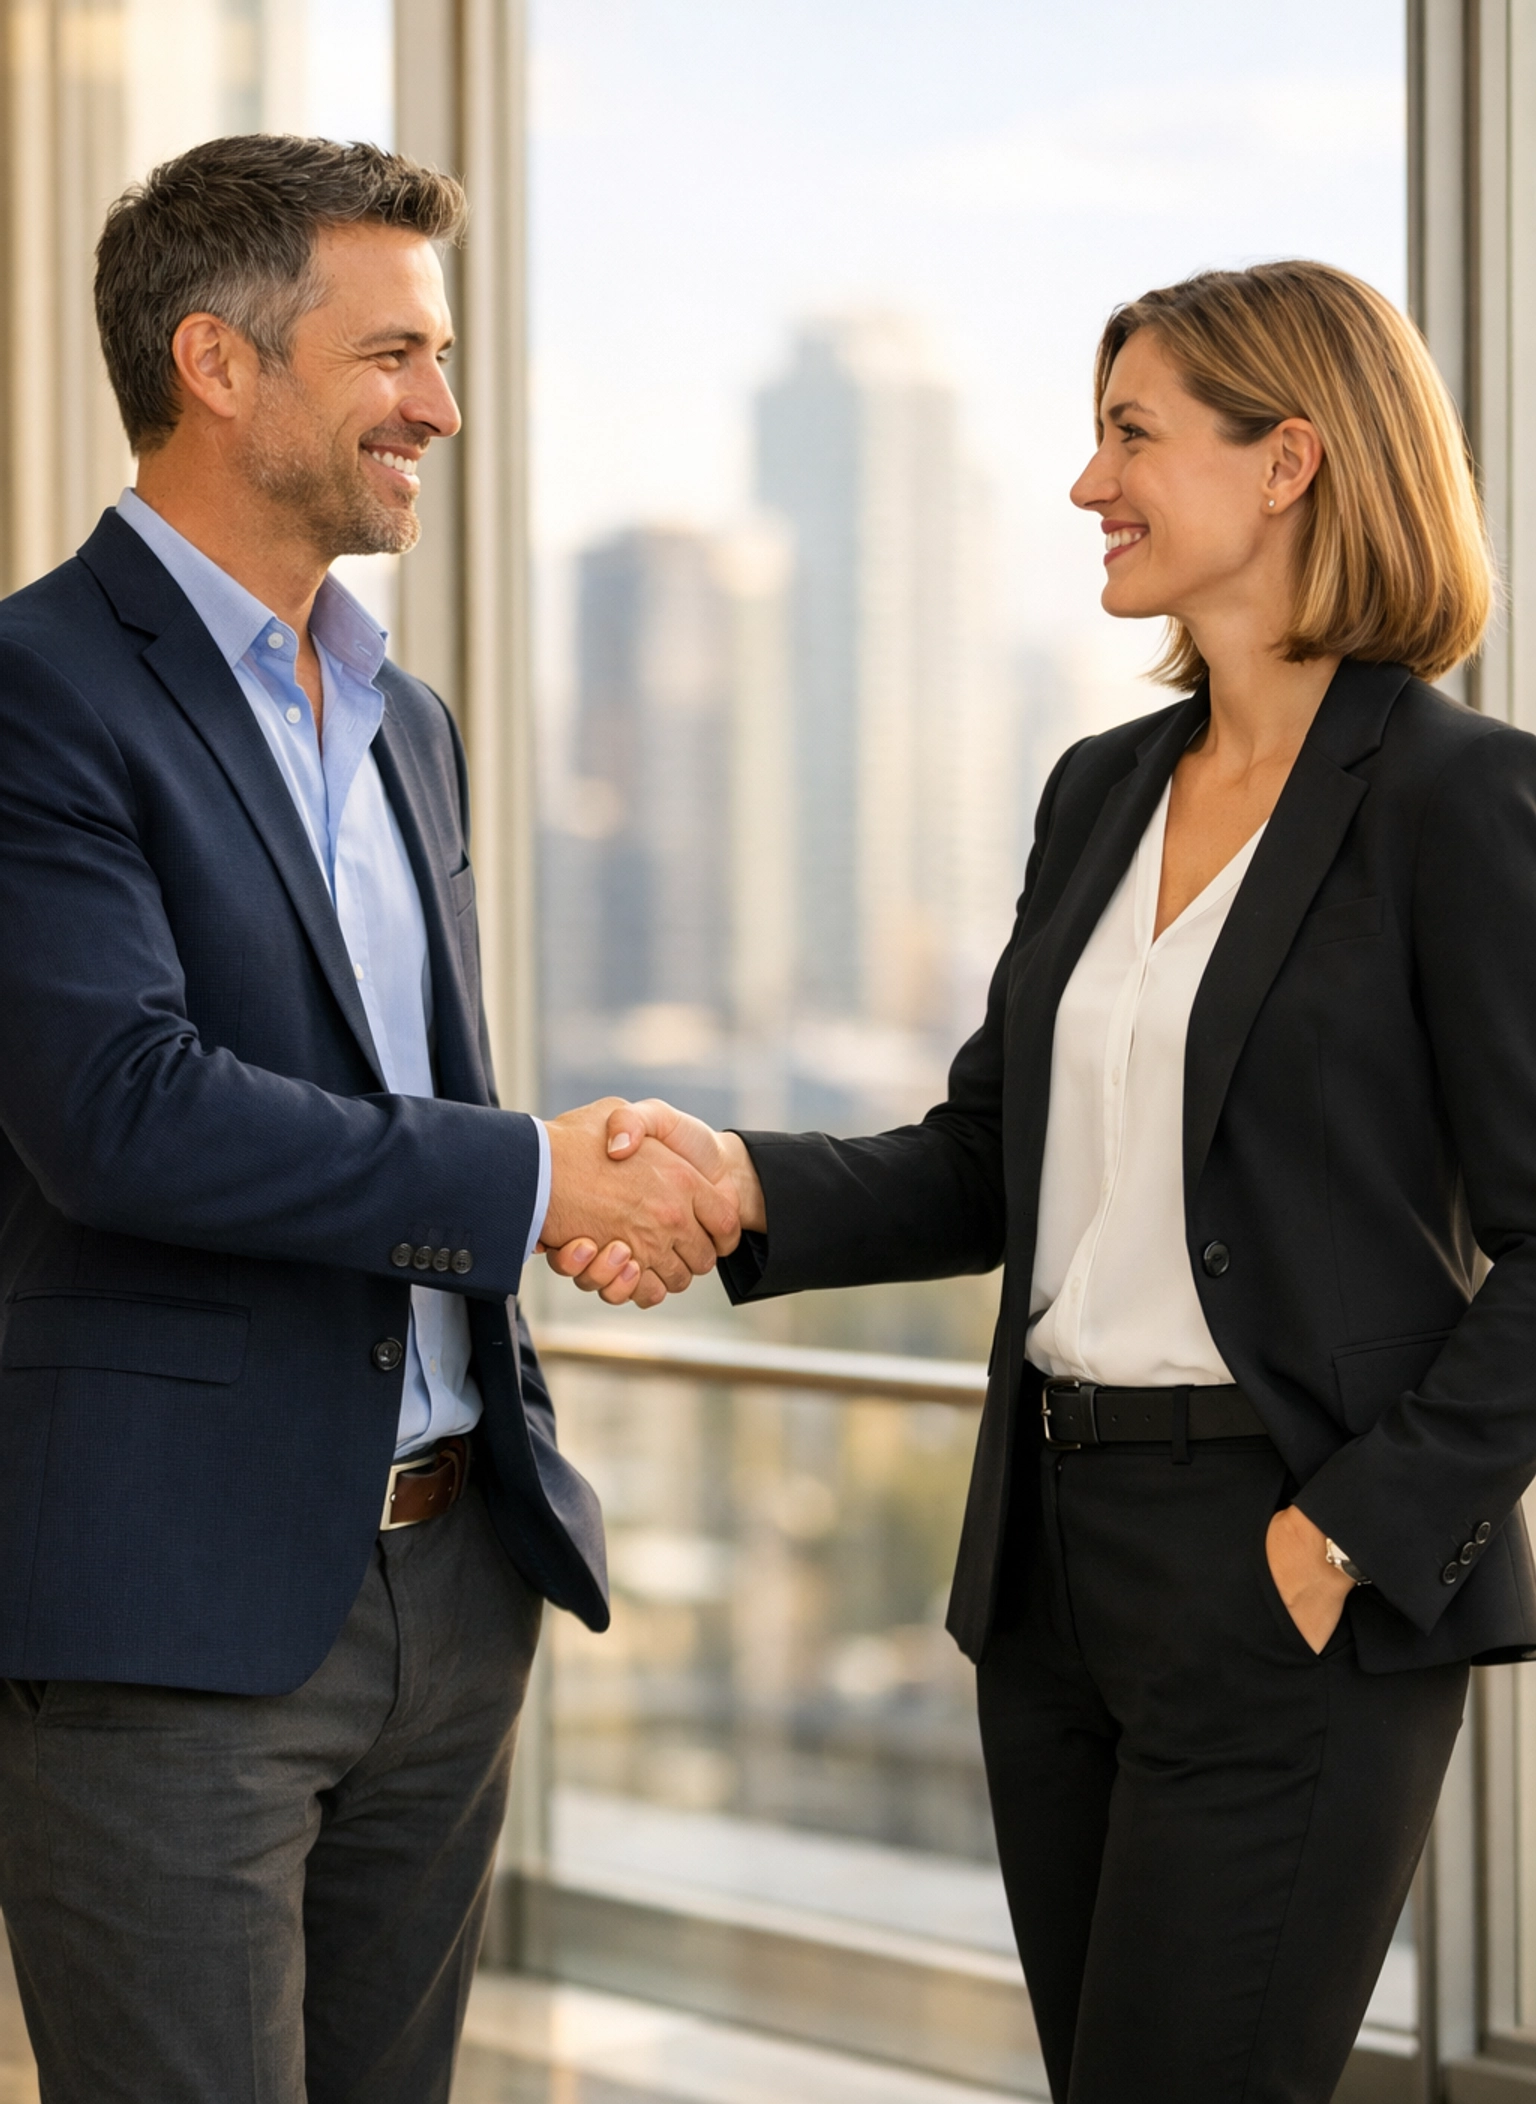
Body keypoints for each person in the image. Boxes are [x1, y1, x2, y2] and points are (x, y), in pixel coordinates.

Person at [547, 261, 1536, 2102]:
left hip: (1289, 1564)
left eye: (1133, 435)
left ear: (1293, 462)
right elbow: (996, 1159)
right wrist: (736, 1178)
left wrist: (1345, 1539)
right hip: (1055, 1573)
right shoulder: (1102, 790)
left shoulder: (1459, 804)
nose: (1089, 485)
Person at [0, 133, 739, 2104]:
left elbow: (400, 1088)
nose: (443, 403)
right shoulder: (32, 693)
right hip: (171, 1623)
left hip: (453, 1581)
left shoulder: (403, 716)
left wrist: (552, 1199)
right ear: (217, 364)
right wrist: (520, 1182)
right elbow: (119, 1114)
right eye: (394, 350)